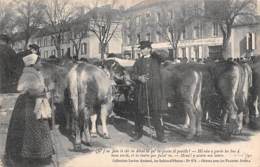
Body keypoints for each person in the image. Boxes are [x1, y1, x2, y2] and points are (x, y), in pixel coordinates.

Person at [5, 44, 55, 166]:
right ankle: (31, 156)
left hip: (33, 104)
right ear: (33, 63)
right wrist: (44, 89)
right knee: (30, 131)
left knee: (38, 131)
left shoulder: (33, 73)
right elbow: (25, 88)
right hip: (30, 106)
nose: (41, 64)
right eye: (39, 62)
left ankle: (37, 156)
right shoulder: (29, 74)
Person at [130, 41, 167, 143]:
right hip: (142, 91)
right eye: (141, 48)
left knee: (156, 113)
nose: (141, 50)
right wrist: (139, 77)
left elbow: (164, 56)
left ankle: (161, 136)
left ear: (149, 49)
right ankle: (138, 133)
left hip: (155, 92)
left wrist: (154, 52)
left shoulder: (157, 59)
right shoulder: (138, 62)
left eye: (143, 48)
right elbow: (132, 74)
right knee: (139, 113)